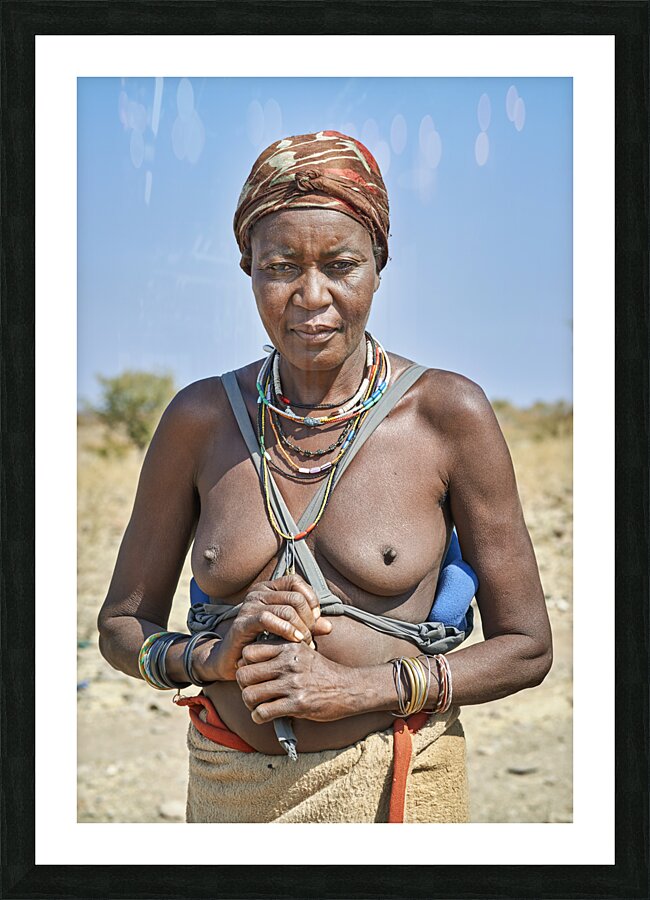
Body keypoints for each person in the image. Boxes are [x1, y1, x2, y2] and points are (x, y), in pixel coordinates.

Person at [98, 130, 552, 823]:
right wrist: (209, 657)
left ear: (379, 265)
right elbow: (121, 627)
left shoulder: (446, 415)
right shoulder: (200, 420)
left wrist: (363, 689)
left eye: (341, 265)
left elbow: (526, 648)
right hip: (228, 791)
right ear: (247, 266)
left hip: (397, 786)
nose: (312, 297)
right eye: (281, 267)